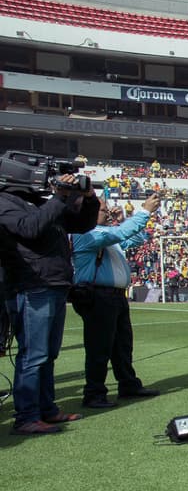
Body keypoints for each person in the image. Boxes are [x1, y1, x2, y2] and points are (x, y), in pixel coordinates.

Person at [0, 173, 100, 434]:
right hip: (31, 285)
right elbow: (28, 228)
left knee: (48, 354)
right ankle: (27, 417)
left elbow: (82, 225)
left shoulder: (40, 202)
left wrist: (87, 199)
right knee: (33, 355)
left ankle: (47, 409)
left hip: (54, 283)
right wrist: (58, 197)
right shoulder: (5, 202)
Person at [70, 192, 162, 408]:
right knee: (99, 346)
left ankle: (128, 384)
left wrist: (121, 220)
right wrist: (144, 211)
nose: (108, 211)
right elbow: (123, 234)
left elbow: (136, 238)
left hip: (113, 296)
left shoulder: (105, 232)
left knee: (122, 344)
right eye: (103, 209)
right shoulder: (86, 234)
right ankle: (94, 393)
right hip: (98, 295)